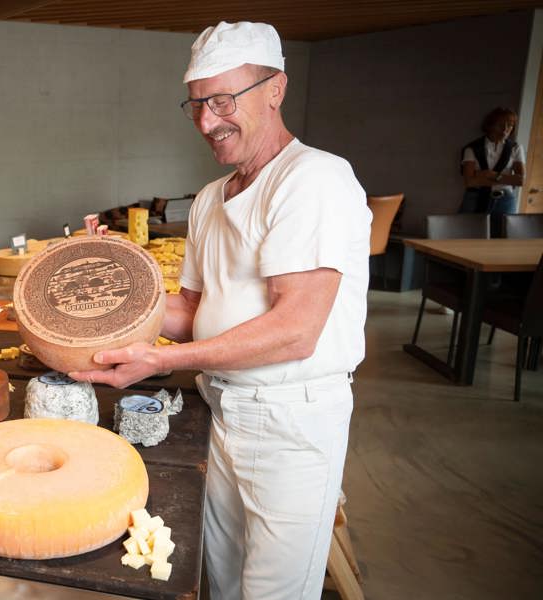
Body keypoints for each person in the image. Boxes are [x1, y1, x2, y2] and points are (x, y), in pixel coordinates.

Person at [71, 22, 371, 600]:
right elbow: (190, 309)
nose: (208, 122)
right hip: (220, 408)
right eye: (197, 105)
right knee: (218, 581)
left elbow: (295, 331)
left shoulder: (314, 180)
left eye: (224, 101)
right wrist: (106, 300)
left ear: (276, 88)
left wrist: (163, 361)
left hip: (290, 421)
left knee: (273, 592)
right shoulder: (211, 198)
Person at [460, 107, 525, 234]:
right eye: (501, 124)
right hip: (476, 198)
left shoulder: (516, 148)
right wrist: (507, 179)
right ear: (490, 125)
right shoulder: (472, 148)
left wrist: (491, 175)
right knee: (468, 234)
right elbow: (469, 182)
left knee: (503, 236)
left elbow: (520, 180)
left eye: (510, 125)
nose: (506, 129)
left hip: (505, 199)